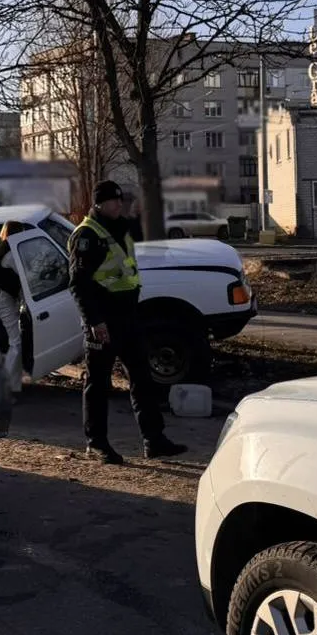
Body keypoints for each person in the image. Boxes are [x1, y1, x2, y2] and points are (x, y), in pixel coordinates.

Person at [68, 180, 187, 464]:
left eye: (120, 200)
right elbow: (79, 285)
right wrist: (94, 322)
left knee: (143, 379)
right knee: (98, 385)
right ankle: (96, 443)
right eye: (113, 201)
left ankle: (154, 440)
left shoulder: (121, 228)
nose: (119, 205)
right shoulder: (87, 235)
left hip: (128, 317)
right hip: (103, 321)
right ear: (98, 204)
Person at [0, 220, 29, 395]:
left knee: (14, 343)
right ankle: (6, 388)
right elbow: (27, 275)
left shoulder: (5, 250)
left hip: (3, 300)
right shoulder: (12, 255)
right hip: (4, 302)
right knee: (16, 343)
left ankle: (12, 384)